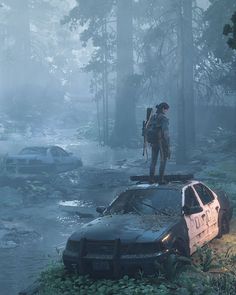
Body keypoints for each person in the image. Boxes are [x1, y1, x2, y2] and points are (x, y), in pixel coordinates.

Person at [147, 102, 170, 184]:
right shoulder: (164, 119)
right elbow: (165, 133)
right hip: (162, 142)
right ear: (163, 109)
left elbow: (148, 128)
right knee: (163, 160)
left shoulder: (153, 117)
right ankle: (161, 179)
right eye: (166, 109)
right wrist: (167, 144)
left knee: (153, 161)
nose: (166, 111)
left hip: (153, 142)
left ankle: (151, 178)